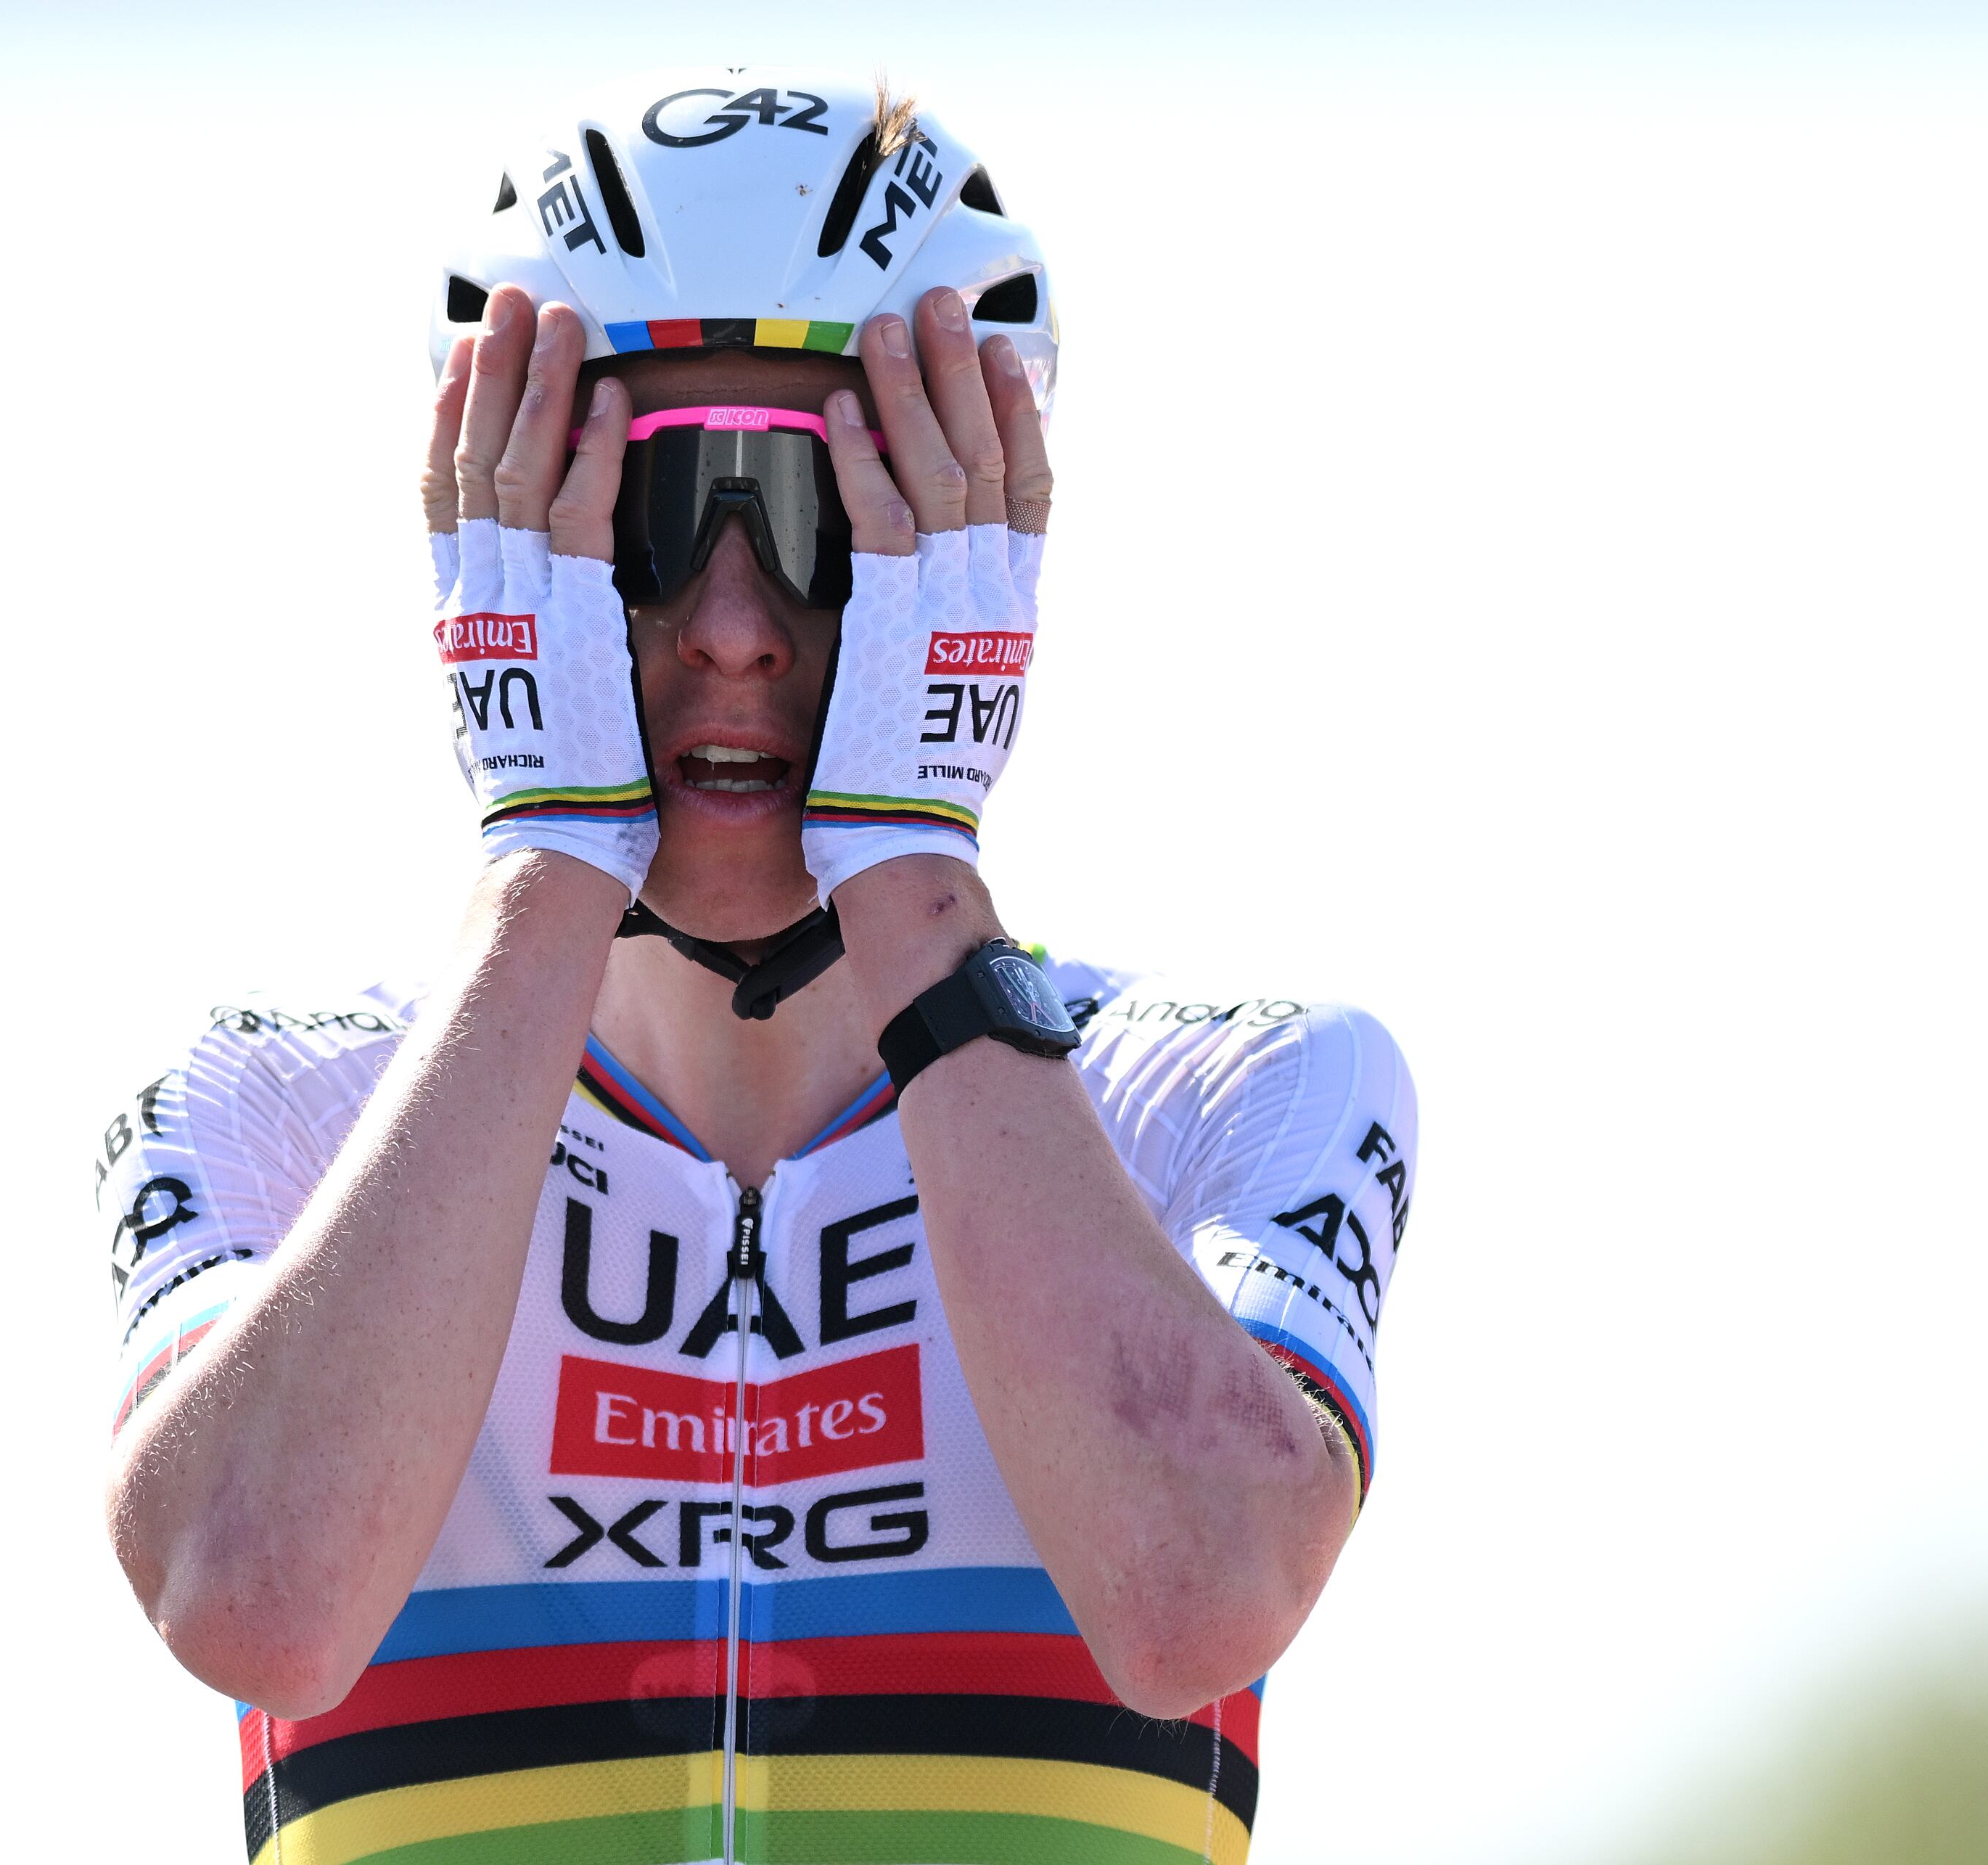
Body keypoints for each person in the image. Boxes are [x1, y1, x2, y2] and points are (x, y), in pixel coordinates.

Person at [96, 66, 1417, 1865]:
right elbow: (256, 1608)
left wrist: (911, 855)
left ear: (979, 557)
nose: (731, 630)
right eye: (640, 522)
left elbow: (1200, 1602)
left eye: (827, 525)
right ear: (497, 547)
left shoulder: (1236, 1086)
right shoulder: (272, 1105)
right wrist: (548, 852)